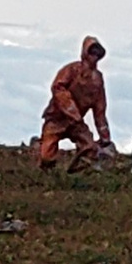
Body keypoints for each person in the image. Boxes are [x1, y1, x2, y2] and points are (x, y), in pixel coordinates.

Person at [35, 35, 112, 170]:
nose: (94, 56)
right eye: (92, 52)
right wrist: (71, 109)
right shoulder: (71, 69)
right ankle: (45, 170)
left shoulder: (98, 80)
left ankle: (76, 173)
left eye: (97, 53)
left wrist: (104, 135)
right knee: (46, 155)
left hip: (76, 123)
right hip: (56, 119)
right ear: (85, 52)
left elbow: (100, 110)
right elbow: (58, 88)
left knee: (90, 149)